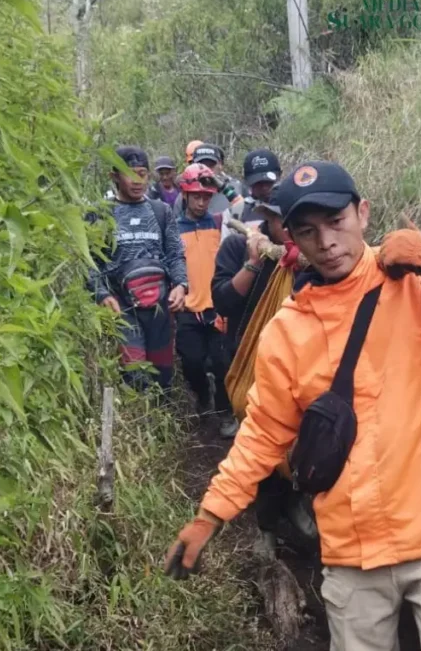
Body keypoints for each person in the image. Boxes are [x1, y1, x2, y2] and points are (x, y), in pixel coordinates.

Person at [165, 160, 421, 650]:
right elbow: (262, 435)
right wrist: (210, 516)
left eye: (337, 222)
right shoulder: (288, 331)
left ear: (364, 214)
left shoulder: (416, 286)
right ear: (292, 239)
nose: (327, 241)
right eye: (309, 231)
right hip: (352, 551)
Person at [210, 158, 317, 553]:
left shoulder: (310, 261)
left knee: (302, 444)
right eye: (278, 221)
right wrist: (255, 264)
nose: (285, 231)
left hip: (303, 369)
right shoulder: (240, 246)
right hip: (251, 363)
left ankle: (294, 505)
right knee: (266, 445)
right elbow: (221, 299)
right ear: (265, 219)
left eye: (292, 223)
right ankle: (266, 528)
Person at [87, 146, 188, 393]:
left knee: (162, 375)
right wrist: (102, 295)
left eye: (142, 174)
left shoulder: (160, 211)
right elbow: (89, 263)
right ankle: (140, 424)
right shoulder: (100, 214)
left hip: (160, 306)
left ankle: (162, 421)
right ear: (114, 177)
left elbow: (175, 254)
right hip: (122, 307)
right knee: (134, 375)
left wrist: (182, 286)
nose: (137, 181)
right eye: (130, 174)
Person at [174, 163, 237, 435]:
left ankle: (225, 413)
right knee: (191, 363)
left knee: (223, 364)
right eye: (196, 196)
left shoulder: (220, 223)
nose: (201, 202)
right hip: (188, 310)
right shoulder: (173, 228)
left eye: (206, 196)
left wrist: (222, 184)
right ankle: (202, 395)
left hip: (216, 309)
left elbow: (241, 206)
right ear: (185, 196)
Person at [237, 148, 282, 225]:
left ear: (280, 176)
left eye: (269, 182)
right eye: (258, 183)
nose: (264, 187)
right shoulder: (238, 211)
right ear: (247, 182)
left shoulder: (291, 207)